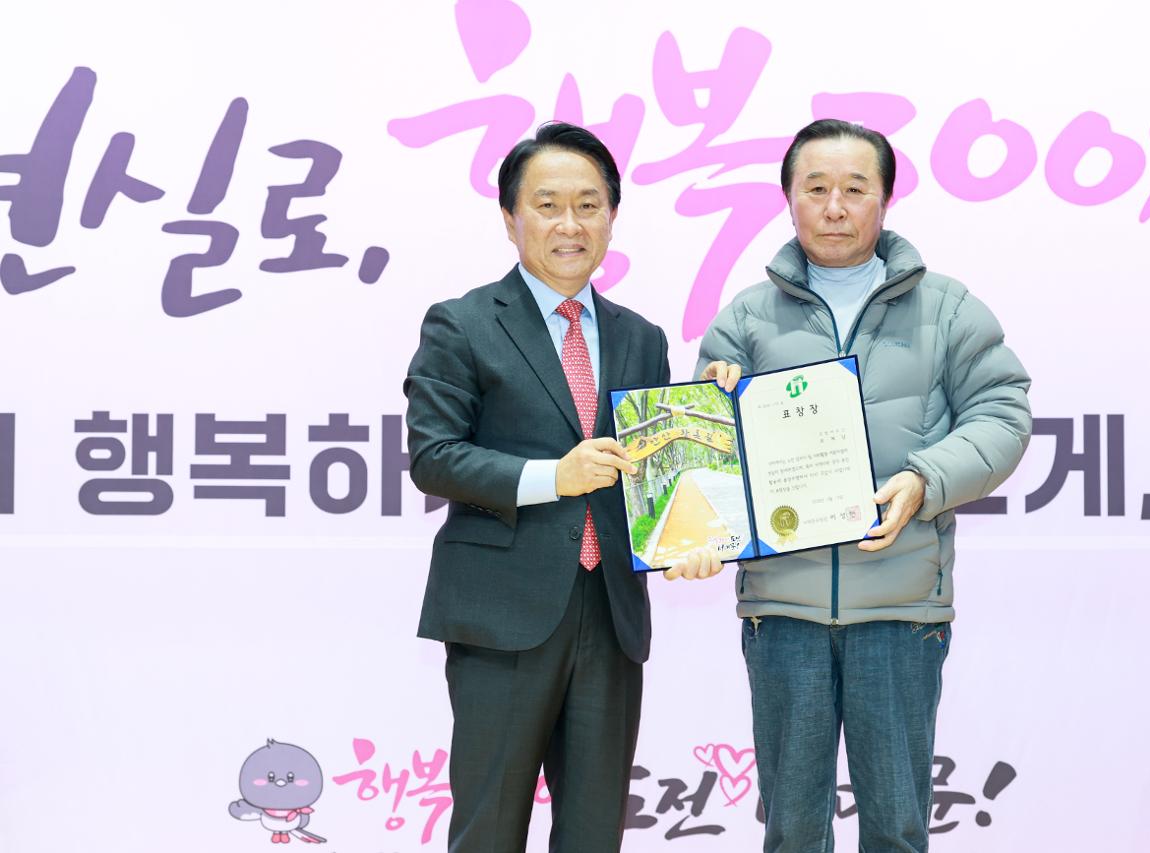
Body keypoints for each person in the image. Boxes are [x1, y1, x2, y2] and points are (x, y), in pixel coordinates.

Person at [693, 119, 1032, 852]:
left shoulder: (947, 308)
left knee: (898, 828)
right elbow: (705, 461)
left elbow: (1003, 413)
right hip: (782, 609)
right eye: (816, 188)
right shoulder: (745, 318)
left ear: (886, 199)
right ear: (788, 199)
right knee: (790, 831)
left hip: (901, 607)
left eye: (855, 188)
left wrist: (925, 479)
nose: (835, 207)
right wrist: (712, 404)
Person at [403, 121, 718, 853]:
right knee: (488, 829)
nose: (569, 224)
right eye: (547, 205)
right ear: (510, 217)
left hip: (610, 615)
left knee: (594, 832)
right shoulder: (462, 323)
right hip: (502, 614)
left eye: (588, 204)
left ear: (612, 215)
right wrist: (555, 477)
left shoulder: (641, 337)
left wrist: (691, 534)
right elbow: (435, 456)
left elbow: (650, 470)